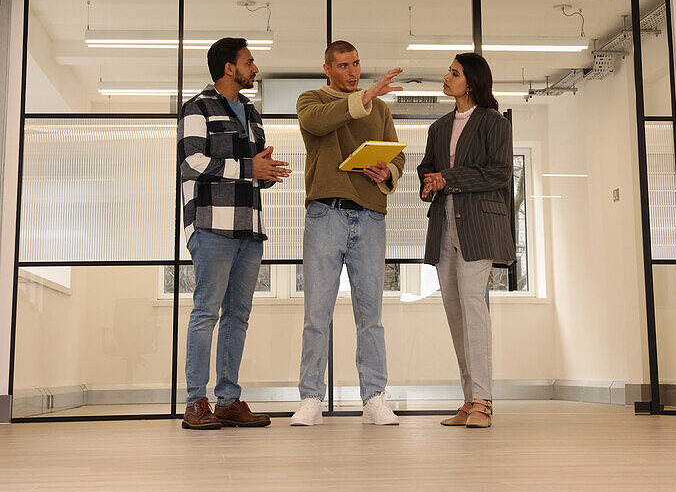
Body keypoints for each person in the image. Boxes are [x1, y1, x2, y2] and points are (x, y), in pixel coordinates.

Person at [178, 36, 291, 430]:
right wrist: (248, 169)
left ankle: (227, 401)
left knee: (238, 317)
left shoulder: (251, 111)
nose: (254, 68)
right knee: (206, 311)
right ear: (229, 67)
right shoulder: (197, 107)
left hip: (249, 226)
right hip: (211, 225)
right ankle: (196, 402)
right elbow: (192, 161)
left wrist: (267, 173)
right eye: (249, 61)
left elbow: (253, 171)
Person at [290, 40, 405, 426]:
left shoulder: (382, 109)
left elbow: (397, 154)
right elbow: (319, 123)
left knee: (370, 316)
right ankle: (310, 399)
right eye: (342, 65)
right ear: (327, 69)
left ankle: (374, 397)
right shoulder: (310, 100)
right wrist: (367, 94)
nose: (352, 72)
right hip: (325, 215)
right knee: (316, 315)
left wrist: (387, 172)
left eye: (356, 63)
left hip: (370, 217)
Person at [417, 53, 515, 430]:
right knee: (455, 312)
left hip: (478, 225)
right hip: (444, 223)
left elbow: (500, 173)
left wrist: (449, 178)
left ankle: (484, 400)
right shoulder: (439, 127)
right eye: (448, 71)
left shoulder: (493, 122)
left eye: (454, 73)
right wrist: (429, 181)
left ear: (470, 82)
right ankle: (468, 398)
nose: (446, 77)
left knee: (474, 308)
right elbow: (428, 168)